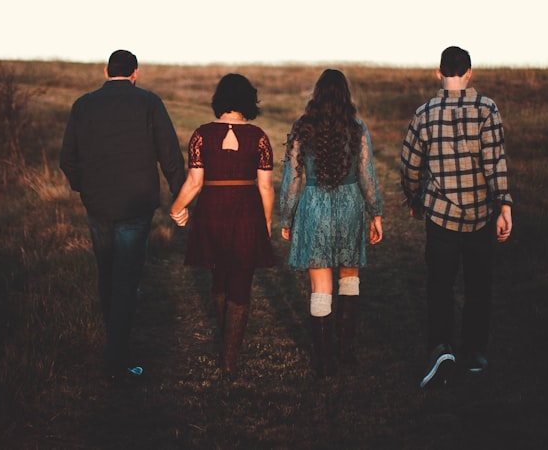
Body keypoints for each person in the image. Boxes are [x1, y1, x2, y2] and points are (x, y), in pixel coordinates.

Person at [59, 50, 186, 384]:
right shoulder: (149, 102)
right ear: (135, 73)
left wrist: (83, 189)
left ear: (105, 71)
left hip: (97, 204)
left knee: (108, 273)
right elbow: (170, 153)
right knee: (127, 281)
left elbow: (66, 158)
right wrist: (181, 196)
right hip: (135, 205)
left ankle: (114, 344)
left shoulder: (83, 105)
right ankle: (115, 359)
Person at [400, 45, 514, 389]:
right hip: (480, 214)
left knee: (440, 286)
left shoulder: (425, 112)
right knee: (479, 287)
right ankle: (475, 354)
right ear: (469, 74)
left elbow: (409, 163)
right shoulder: (487, 108)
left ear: (438, 73)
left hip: (440, 216)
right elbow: (495, 161)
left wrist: (414, 197)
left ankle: (441, 349)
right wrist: (504, 206)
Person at [169, 73, 275, 377]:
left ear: (219, 99)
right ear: (248, 100)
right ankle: (230, 360)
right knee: (241, 279)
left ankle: (225, 346)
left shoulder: (202, 134)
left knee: (219, 277)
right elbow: (266, 187)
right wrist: (266, 221)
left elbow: (194, 181)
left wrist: (177, 209)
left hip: (212, 207)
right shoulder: (259, 136)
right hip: (246, 209)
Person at [280, 69, 383, 378]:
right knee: (349, 278)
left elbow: (293, 178)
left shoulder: (303, 127)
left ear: (317, 94)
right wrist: (375, 212)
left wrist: (287, 215)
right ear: (345, 95)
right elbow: (367, 175)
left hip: (313, 207)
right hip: (351, 205)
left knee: (320, 285)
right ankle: (345, 350)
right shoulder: (358, 127)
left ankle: (325, 360)